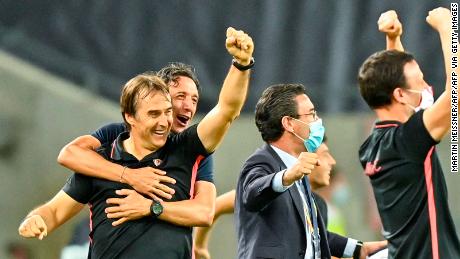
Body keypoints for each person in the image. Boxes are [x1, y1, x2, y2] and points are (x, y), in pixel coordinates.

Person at [18, 27, 254, 258]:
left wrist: (241, 65)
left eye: (167, 112)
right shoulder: (100, 158)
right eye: (154, 114)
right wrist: (37, 219)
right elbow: (55, 209)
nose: (164, 121)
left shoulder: (188, 151)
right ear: (129, 117)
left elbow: (226, 111)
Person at [235, 84, 385, 259]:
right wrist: (286, 176)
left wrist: (358, 249)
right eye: (312, 114)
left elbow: (310, 236)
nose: (317, 121)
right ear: (289, 123)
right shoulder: (263, 161)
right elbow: (252, 193)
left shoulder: (299, 172)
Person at [358, 8, 460, 259]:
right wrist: (449, 27)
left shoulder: (372, 146)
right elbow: (456, 95)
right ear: (400, 95)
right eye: (421, 81)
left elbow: (394, 86)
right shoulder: (408, 140)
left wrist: (393, 41)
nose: (427, 87)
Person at [195, 138, 385, 259]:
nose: (332, 162)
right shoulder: (273, 191)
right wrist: (199, 247)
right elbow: (217, 205)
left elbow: (318, 242)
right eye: (325, 155)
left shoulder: (317, 206)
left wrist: (357, 249)